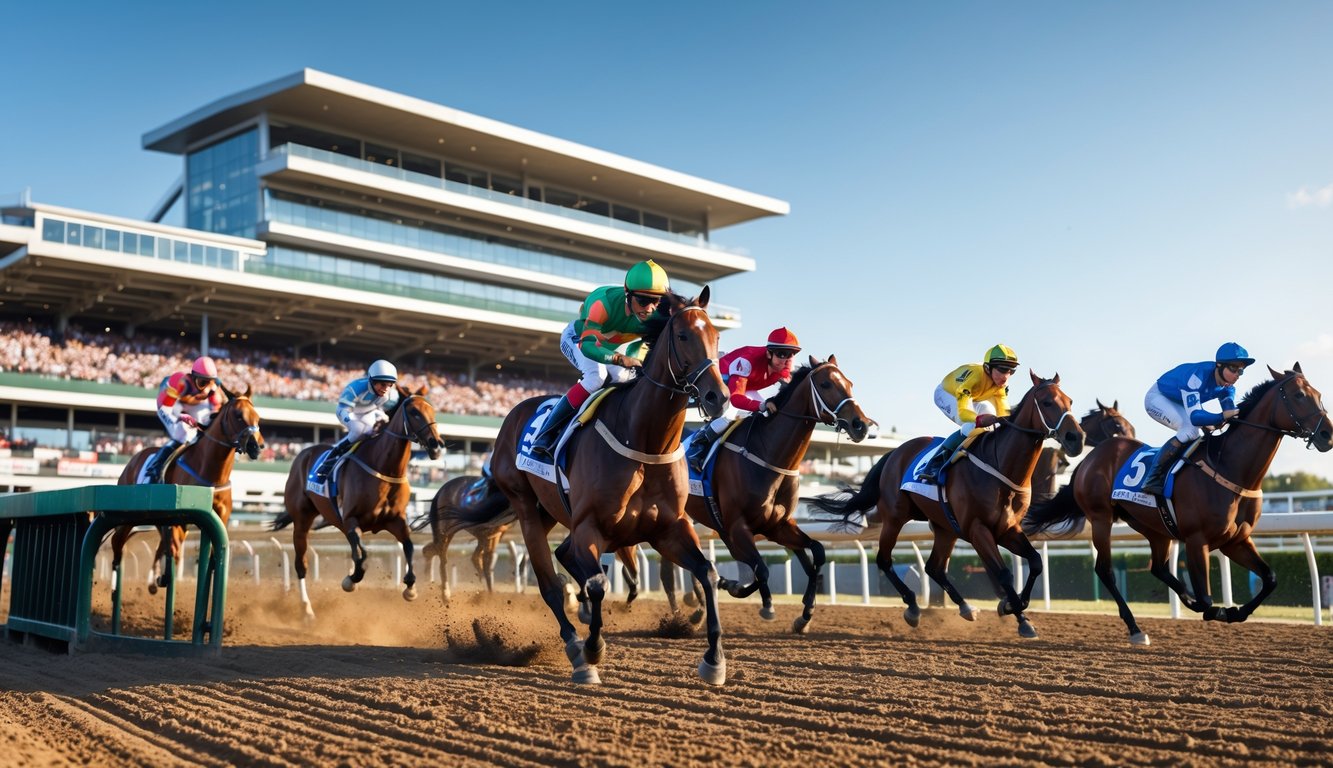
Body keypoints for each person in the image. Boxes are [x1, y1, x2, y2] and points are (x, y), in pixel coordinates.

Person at [530, 259, 670, 459]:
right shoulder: (602, 303)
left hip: (612, 346)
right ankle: (546, 432)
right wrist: (619, 359)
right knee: (596, 377)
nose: (649, 309)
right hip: (579, 339)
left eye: (656, 301)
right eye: (643, 301)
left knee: (627, 381)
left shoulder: (659, 314)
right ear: (628, 294)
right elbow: (588, 346)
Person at [1140, 342, 1253, 496]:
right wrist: (1220, 417)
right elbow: (1196, 418)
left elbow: (1229, 412)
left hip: (1180, 402)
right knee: (1190, 430)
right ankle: (1152, 478)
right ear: (1219, 365)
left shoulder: (1228, 388)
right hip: (1158, 397)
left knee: (1199, 434)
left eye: (1241, 370)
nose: (1237, 375)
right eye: (1233, 368)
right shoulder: (1197, 377)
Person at [685, 327, 801, 473]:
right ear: (768, 353)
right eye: (781, 354)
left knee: (770, 413)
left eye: (791, 354)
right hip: (724, 380)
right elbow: (736, 398)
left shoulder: (787, 368)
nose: (786, 360)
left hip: (747, 386)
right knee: (729, 416)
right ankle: (698, 445)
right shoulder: (747, 361)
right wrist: (761, 405)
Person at [918, 344, 1019, 483]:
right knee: (971, 425)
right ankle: (934, 465)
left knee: (993, 423)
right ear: (987, 367)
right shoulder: (975, 376)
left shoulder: (1000, 384)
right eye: (1002, 370)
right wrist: (979, 420)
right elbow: (964, 412)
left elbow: (1003, 412)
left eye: (1011, 371)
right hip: (948, 394)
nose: (1006, 376)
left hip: (973, 397)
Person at [311, 359, 401, 484]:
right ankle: (329, 461)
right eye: (382, 384)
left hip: (366, 413)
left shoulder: (388, 396)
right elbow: (344, 409)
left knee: (378, 430)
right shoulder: (356, 387)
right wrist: (350, 421)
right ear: (372, 380)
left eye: (390, 385)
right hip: (347, 412)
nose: (386, 389)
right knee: (358, 430)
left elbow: (375, 409)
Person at [146, 355, 224, 483]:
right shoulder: (181, 382)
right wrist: (181, 418)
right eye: (202, 382)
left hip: (189, 404)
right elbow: (170, 408)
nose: (206, 388)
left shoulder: (214, 388)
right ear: (193, 377)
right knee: (182, 431)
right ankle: (155, 467)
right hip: (169, 404)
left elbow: (214, 411)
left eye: (209, 382)